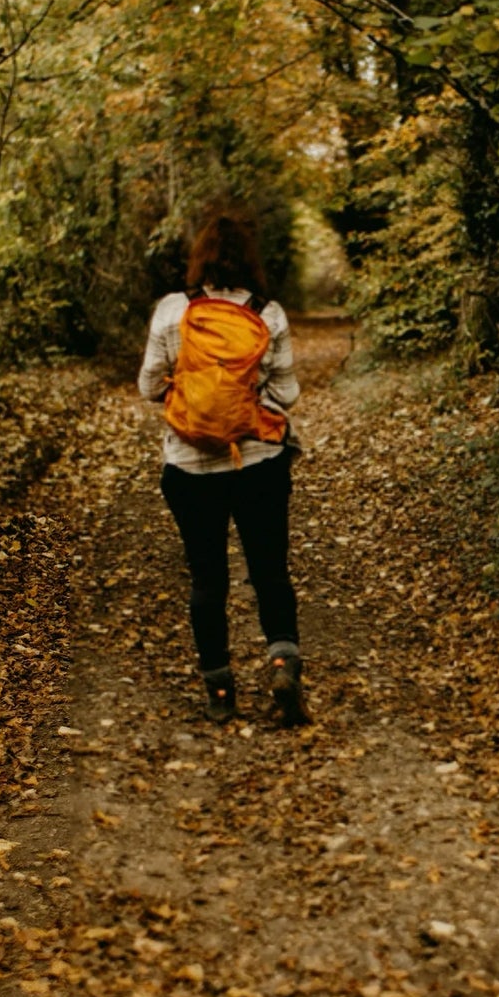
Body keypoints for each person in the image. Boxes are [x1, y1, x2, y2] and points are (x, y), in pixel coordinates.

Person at [138, 212, 307, 725]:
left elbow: (149, 386)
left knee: (207, 580)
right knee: (270, 573)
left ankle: (219, 693)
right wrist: (245, 399)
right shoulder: (268, 313)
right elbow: (288, 395)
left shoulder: (173, 311)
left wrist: (192, 397)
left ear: (200, 258)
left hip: (189, 468)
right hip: (258, 464)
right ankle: (282, 662)